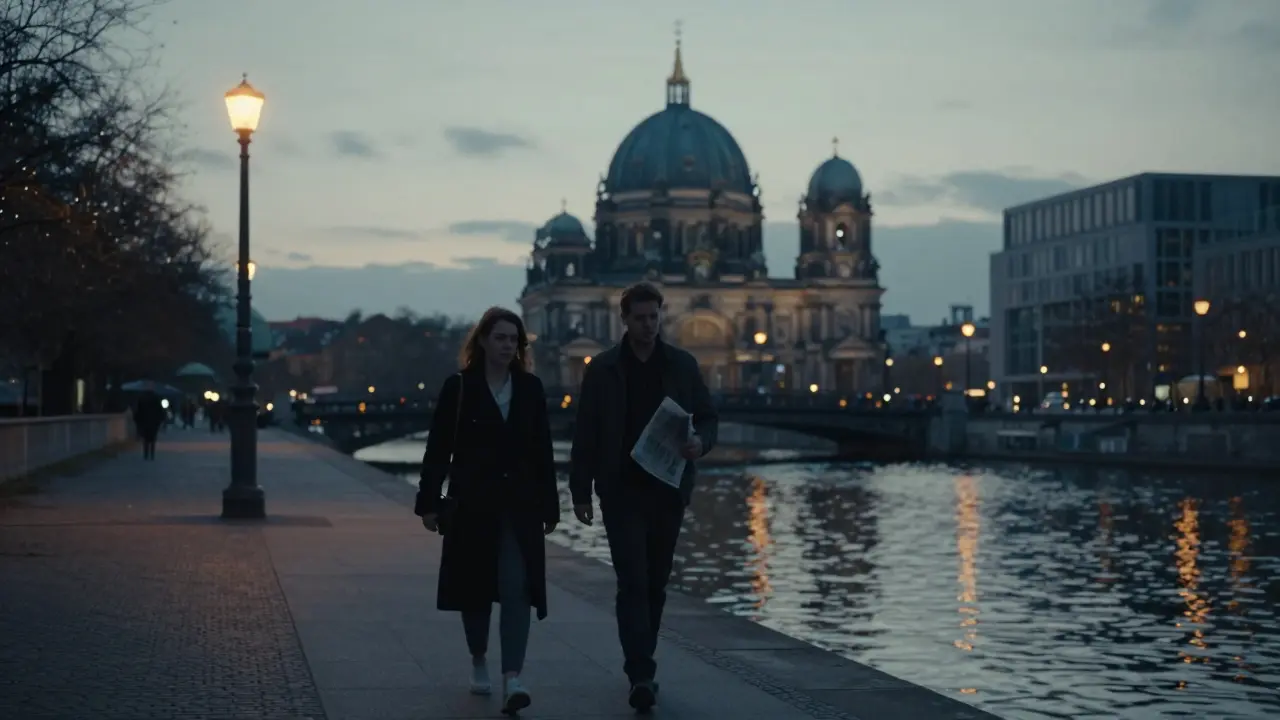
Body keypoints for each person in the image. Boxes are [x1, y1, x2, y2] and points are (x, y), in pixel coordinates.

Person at [569, 282, 718, 712]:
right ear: (625, 319)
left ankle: (642, 660)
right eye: (640, 318)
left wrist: (699, 444)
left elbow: (707, 418)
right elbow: (587, 433)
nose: (648, 325)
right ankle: (641, 673)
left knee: (655, 582)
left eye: (654, 317)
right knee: (632, 581)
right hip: (621, 490)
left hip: (668, 490)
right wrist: (580, 491)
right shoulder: (602, 369)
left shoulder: (682, 365)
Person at [416, 306, 560, 715]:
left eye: (513, 340)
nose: (507, 346)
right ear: (482, 340)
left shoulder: (529, 389)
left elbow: (542, 452)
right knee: (475, 592)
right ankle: (479, 658)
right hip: (472, 506)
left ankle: (512, 677)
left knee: (518, 589)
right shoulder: (459, 387)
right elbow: (438, 450)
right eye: (500, 338)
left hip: (520, 507)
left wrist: (551, 505)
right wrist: (428, 503)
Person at [133, 390, 165, 460]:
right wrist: (160, 421)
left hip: (144, 421)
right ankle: (152, 454)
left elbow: (138, 412)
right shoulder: (156, 400)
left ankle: (146, 454)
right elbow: (160, 411)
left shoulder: (142, 400)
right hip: (154, 422)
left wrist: (138, 421)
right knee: (152, 439)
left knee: (146, 439)